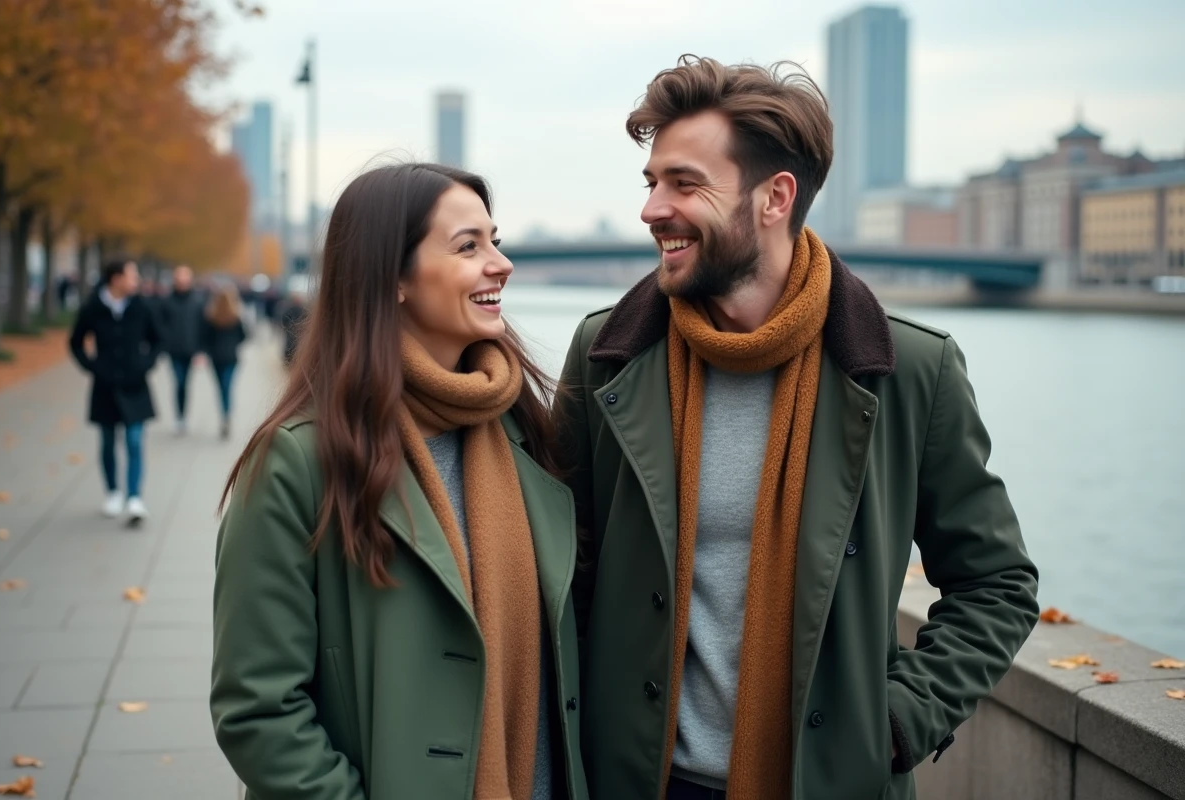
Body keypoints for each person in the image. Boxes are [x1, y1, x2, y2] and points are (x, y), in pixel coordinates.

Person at [555, 56, 1040, 800]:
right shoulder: (608, 357)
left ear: (775, 196)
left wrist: (900, 721)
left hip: (827, 782)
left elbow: (997, 582)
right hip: (636, 781)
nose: (652, 208)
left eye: (684, 183)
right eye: (651, 183)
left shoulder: (908, 370)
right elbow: (564, 573)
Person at [211, 163, 589, 800]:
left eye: (495, 240)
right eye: (469, 246)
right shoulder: (297, 461)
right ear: (392, 280)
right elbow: (258, 710)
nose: (502, 263)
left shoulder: (525, 433)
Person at [69, 256, 162, 525]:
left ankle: (134, 497)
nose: (137, 281)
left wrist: (145, 363)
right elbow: (76, 342)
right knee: (108, 442)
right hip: (105, 386)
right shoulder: (93, 307)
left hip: (135, 385)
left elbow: (157, 340)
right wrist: (92, 366)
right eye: (132, 276)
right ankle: (112, 492)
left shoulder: (141, 306)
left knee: (134, 440)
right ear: (116, 278)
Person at [159, 264, 206, 435]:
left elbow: (202, 327)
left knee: (186, 383)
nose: (182, 282)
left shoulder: (198, 301)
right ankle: (179, 416)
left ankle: (183, 416)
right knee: (178, 382)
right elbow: (161, 324)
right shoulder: (167, 301)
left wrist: (201, 350)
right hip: (174, 350)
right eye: (180, 279)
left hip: (191, 349)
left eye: (185, 279)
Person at [200, 283, 247, 440]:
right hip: (231, 357)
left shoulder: (211, 317)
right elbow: (244, 336)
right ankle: (227, 414)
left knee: (221, 388)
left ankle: (225, 413)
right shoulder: (236, 317)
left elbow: (205, 338)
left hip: (216, 358)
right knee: (227, 386)